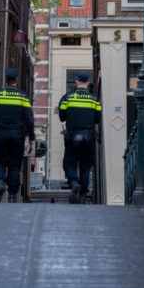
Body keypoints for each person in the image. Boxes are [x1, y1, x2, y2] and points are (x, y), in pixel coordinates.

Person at [0, 68, 34, 203]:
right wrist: (32, 136)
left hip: (0, 134)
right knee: (14, 165)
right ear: (16, 80)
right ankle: (12, 195)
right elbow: (29, 119)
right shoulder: (23, 97)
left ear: (5, 80)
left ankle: (0, 181)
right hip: (17, 135)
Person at [58, 72, 101, 204]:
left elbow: (62, 117)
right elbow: (98, 119)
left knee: (69, 163)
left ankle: (74, 182)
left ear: (76, 82)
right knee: (86, 166)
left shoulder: (67, 98)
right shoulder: (94, 100)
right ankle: (83, 194)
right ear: (88, 83)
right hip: (89, 135)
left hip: (73, 135)